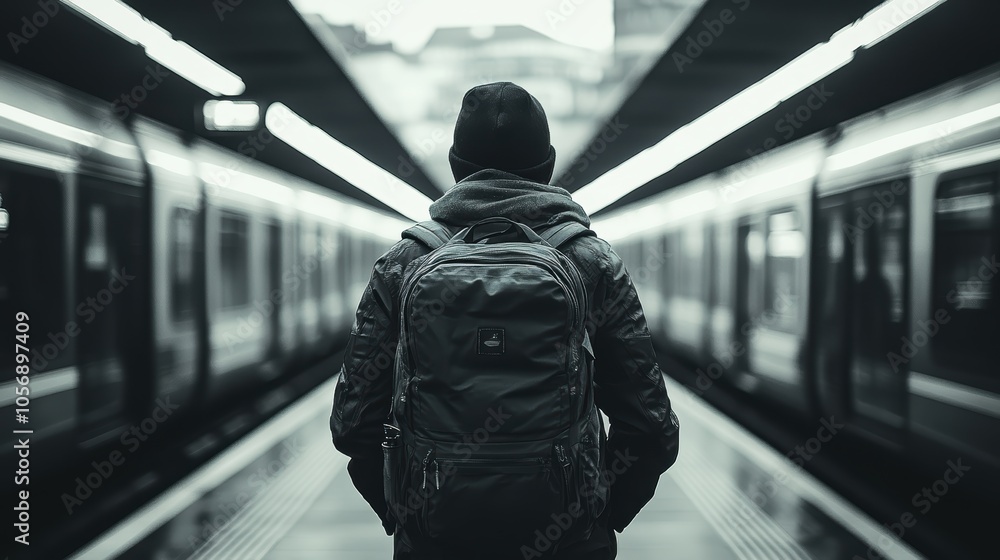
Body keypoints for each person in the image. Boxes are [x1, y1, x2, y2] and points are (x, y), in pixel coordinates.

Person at [330, 81, 679, 559]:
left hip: (436, 540)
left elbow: (354, 422)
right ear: (547, 167)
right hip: (568, 542)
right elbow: (651, 426)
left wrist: (405, 514)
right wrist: (594, 518)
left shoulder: (405, 262)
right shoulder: (592, 262)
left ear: (456, 166)